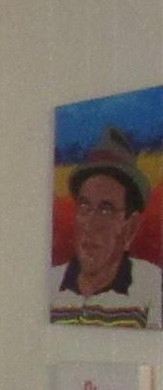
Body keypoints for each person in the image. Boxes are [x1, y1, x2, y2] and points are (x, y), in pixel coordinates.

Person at [52, 126, 163, 328]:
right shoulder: (51, 283)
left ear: (130, 228)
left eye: (105, 209)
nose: (89, 224)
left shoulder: (152, 285)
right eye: (84, 206)